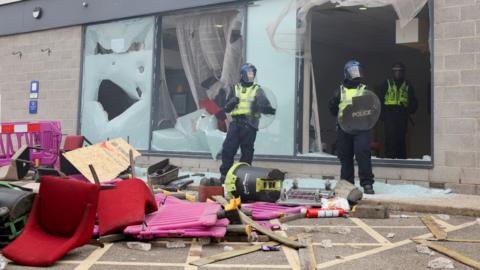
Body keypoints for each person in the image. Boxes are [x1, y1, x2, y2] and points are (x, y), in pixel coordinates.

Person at [219, 63, 276, 181]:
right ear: (242, 75)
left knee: (247, 153)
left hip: (249, 126)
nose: (251, 76)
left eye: (252, 74)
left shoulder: (257, 90)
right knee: (228, 149)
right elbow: (226, 109)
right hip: (235, 124)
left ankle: (242, 177)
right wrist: (231, 102)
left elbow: (270, 110)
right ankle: (225, 176)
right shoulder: (234, 89)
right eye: (248, 74)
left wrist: (261, 107)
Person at [328, 60, 375, 194]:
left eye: (358, 71)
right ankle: (347, 185)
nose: (356, 74)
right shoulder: (340, 91)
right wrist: (333, 101)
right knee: (345, 157)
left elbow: (372, 110)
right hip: (344, 128)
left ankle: (367, 183)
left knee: (363, 154)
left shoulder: (364, 90)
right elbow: (332, 111)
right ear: (346, 74)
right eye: (353, 71)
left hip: (361, 129)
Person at [380, 62, 418, 159]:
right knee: (390, 139)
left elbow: (413, 101)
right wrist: (382, 115)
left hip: (402, 114)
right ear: (392, 72)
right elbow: (379, 100)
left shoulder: (407, 85)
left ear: (403, 72)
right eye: (395, 71)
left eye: (400, 71)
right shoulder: (386, 83)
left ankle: (401, 162)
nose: (398, 73)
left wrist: (409, 110)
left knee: (401, 140)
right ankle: (390, 161)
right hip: (389, 114)